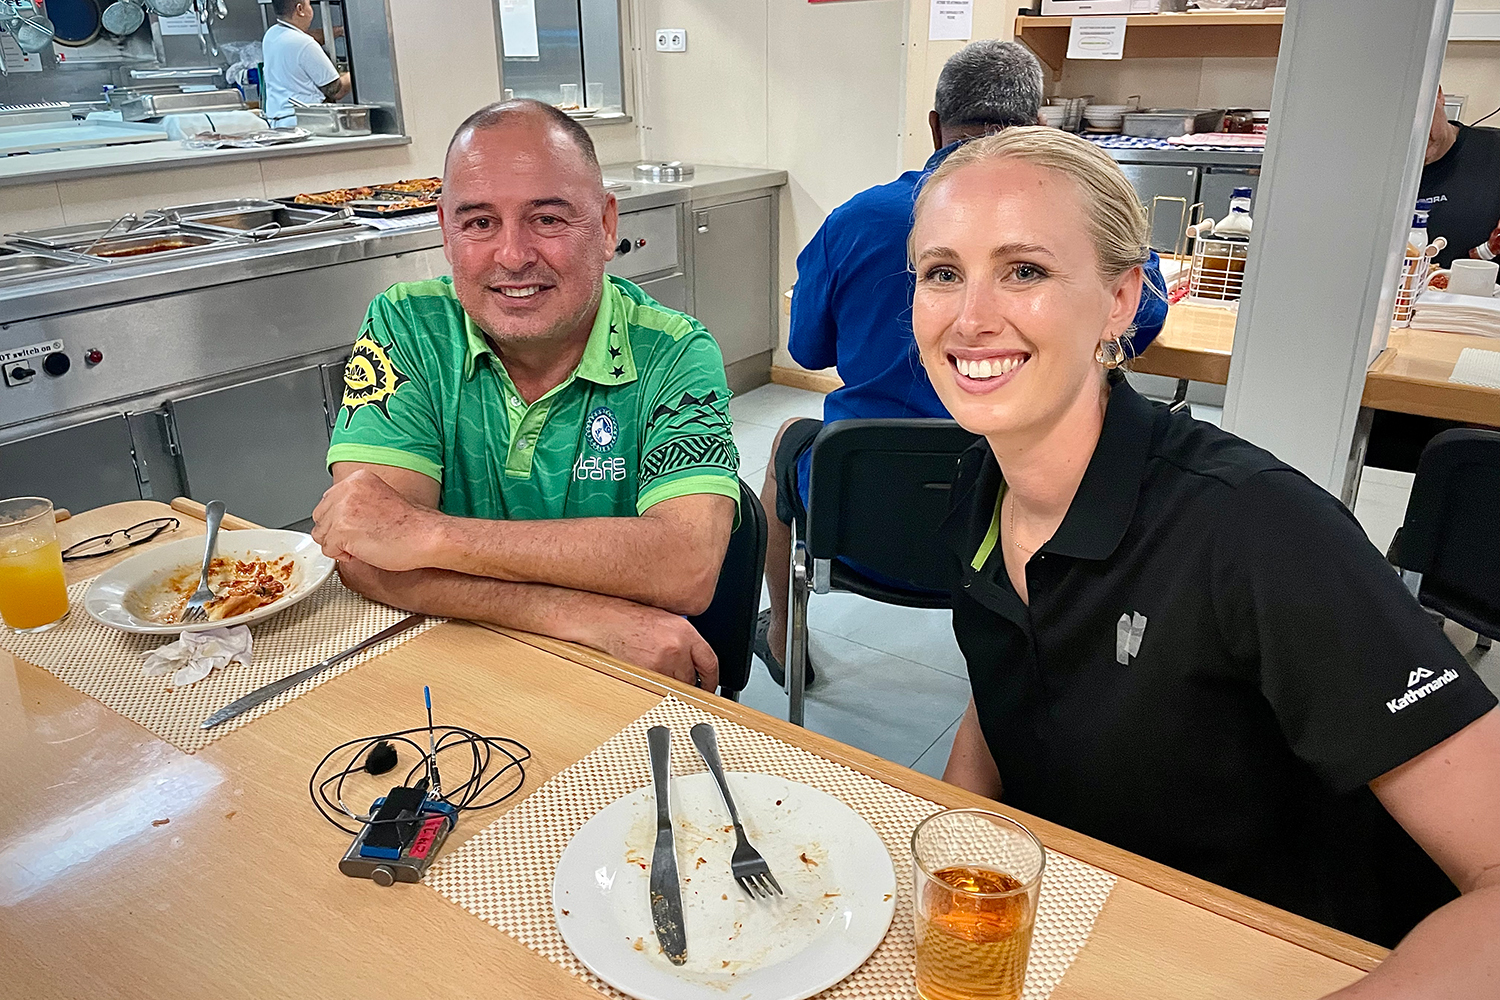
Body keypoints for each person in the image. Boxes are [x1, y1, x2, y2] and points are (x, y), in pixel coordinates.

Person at [919, 127, 1500, 988]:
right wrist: (952, 852)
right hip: (1100, 925)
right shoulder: (985, 482)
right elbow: (1010, 674)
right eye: (941, 272)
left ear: (1120, 300)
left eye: (1026, 270)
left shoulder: (1257, 532)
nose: (970, 317)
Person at [754, 39, 1169, 688]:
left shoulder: (856, 219)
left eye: (1021, 272)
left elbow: (808, 351)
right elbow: (1140, 327)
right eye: (941, 273)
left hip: (867, 511)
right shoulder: (1083, 216)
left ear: (933, 126)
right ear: (1039, 129)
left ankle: (783, 635)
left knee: (789, 442)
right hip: (1023, 518)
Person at [312, 100, 740, 691]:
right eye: (480, 222)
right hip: (446, 666)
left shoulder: (675, 353)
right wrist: (576, 613)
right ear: (445, 231)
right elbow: (364, 554)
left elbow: (686, 564)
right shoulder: (406, 324)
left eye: (547, 218)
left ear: (608, 225)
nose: (513, 256)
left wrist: (431, 534)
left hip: (611, 683)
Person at [1367, 86, 1500, 472]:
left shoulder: (1491, 157)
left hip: (1472, 354)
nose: (1410, 145)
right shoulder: (1364, 164)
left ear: (1438, 96)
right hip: (1379, 352)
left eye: (1419, 125)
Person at [1419, 86, 1500, 269]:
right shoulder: (1366, 173)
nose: (1414, 138)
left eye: (1417, 119)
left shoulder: (1494, 151)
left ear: (1438, 95)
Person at [262, 0, 351, 128]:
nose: (311, 9)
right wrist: (357, 71)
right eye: (309, 4)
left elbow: (304, 38)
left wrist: (339, 31)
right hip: (305, 124)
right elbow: (336, 90)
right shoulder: (305, 44)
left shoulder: (272, 34)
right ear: (300, 9)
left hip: (278, 122)